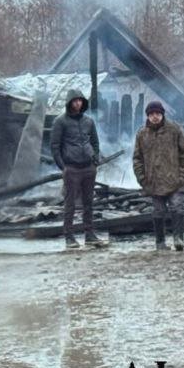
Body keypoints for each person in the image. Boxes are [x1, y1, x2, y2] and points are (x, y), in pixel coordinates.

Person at [133, 100, 184, 252]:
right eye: (152, 114)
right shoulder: (142, 134)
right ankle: (160, 242)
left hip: (174, 180)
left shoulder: (174, 130)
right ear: (148, 116)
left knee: (177, 209)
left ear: (162, 114)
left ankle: (178, 239)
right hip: (153, 181)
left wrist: (183, 177)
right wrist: (142, 179)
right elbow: (137, 159)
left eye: (158, 114)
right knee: (158, 213)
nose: (155, 117)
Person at [50, 88, 104, 249]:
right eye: (75, 101)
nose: (78, 103)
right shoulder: (60, 121)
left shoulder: (89, 121)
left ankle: (89, 234)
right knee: (70, 204)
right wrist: (63, 167)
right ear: (69, 103)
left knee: (89, 202)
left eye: (80, 100)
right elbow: (54, 146)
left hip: (88, 167)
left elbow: (95, 142)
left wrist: (95, 159)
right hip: (71, 168)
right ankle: (69, 236)